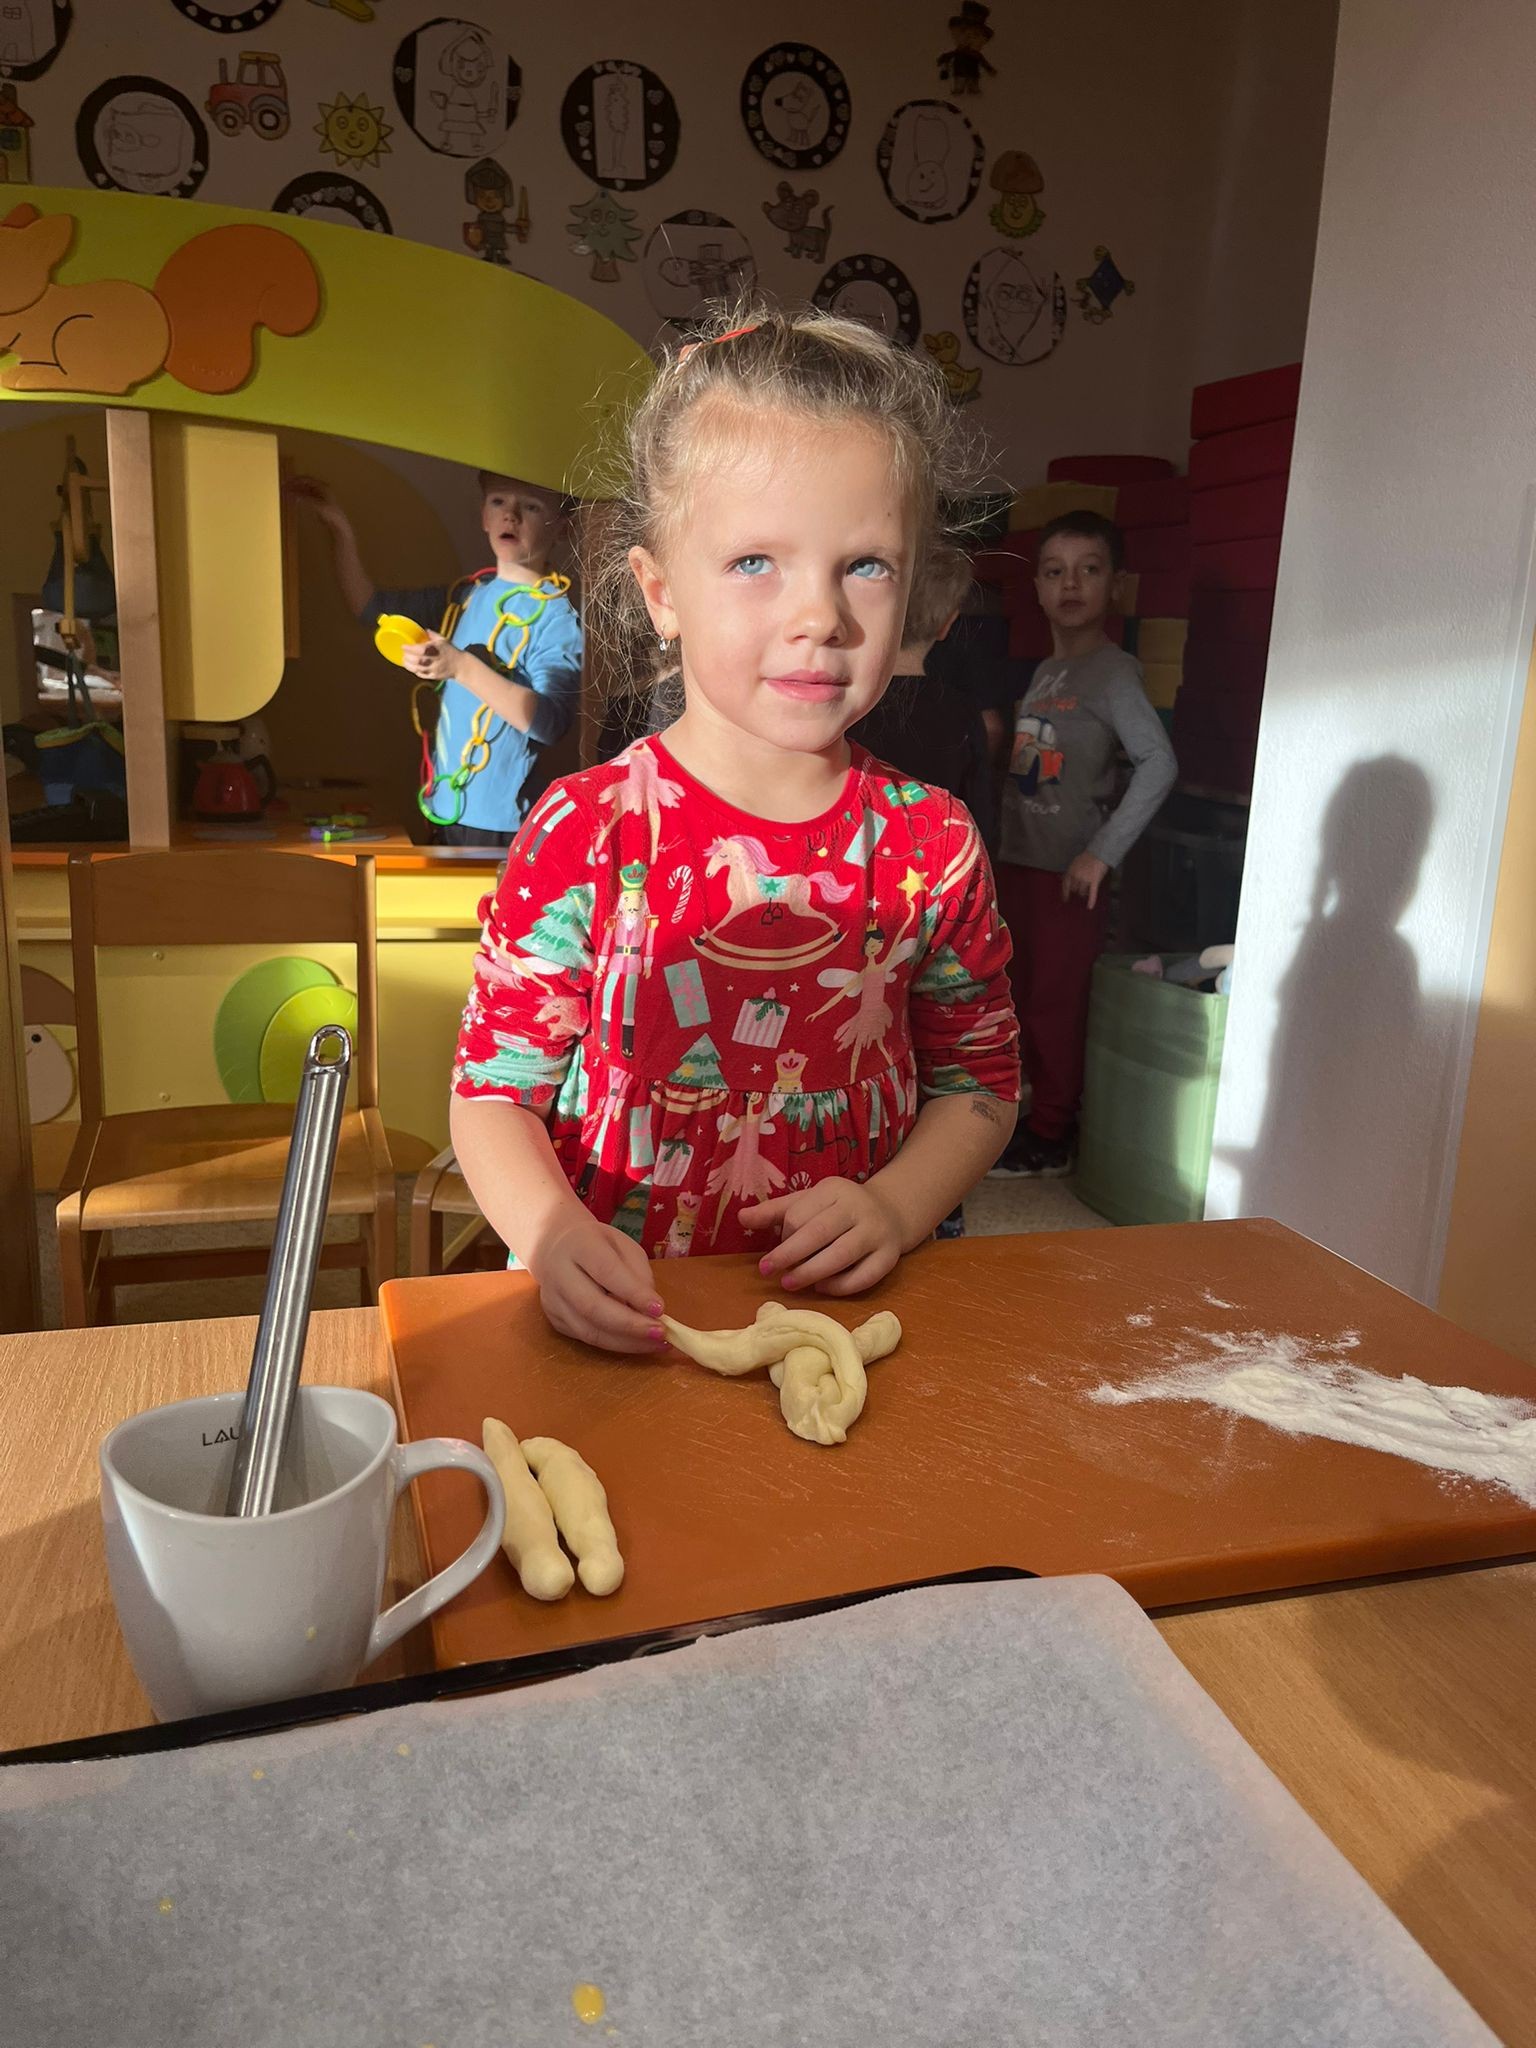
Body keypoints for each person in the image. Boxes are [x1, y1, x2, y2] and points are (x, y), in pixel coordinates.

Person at [450, 307, 1021, 1352]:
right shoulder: (584, 831)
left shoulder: (932, 843)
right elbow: (492, 1093)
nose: (822, 616)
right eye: (756, 561)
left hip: (849, 1322)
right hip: (623, 1324)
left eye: (866, 565)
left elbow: (980, 1085)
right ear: (661, 591)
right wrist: (548, 1233)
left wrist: (896, 1208)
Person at [990, 510, 1176, 1177]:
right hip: (1018, 862)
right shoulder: (1047, 669)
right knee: (1018, 995)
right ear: (1038, 588)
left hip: (1067, 874)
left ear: (1115, 585)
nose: (1070, 584)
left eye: (1088, 570)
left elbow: (1159, 762)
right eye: (1055, 571)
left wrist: (1102, 851)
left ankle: (1052, 1134)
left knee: (1056, 1005)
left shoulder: (1114, 672)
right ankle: (1033, 1110)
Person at [288, 469, 582, 848]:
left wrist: (461, 667)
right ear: (484, 516)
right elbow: (371, 607)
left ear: (562, 528)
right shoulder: (466, 596)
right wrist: (339, 529)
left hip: (502, 826)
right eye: (498, 502)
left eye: (531, 506)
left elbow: (550, 723)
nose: (510, 515)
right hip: (443, 810)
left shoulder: (557, 618)